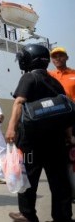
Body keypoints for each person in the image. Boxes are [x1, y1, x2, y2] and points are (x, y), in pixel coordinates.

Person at [6, 44, 73, 222]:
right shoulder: (55, 82)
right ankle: (63, 216)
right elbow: (64, 111)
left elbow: (19, 102)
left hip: (31, 142)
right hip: (56, 141)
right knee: (60, 182)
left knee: (28, 179)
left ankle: (27, 214)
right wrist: (69, 137)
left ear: (30, 59)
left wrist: (11, 128)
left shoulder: (28, 77)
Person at [48, 46, 75, 204]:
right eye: (54, 56)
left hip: (72, 117)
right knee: (59, 158)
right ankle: (65, 192)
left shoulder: (74, 74)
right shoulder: (50, 76)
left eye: (60, 55)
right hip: (55, 120)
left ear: (67, 57)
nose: (57, 58)